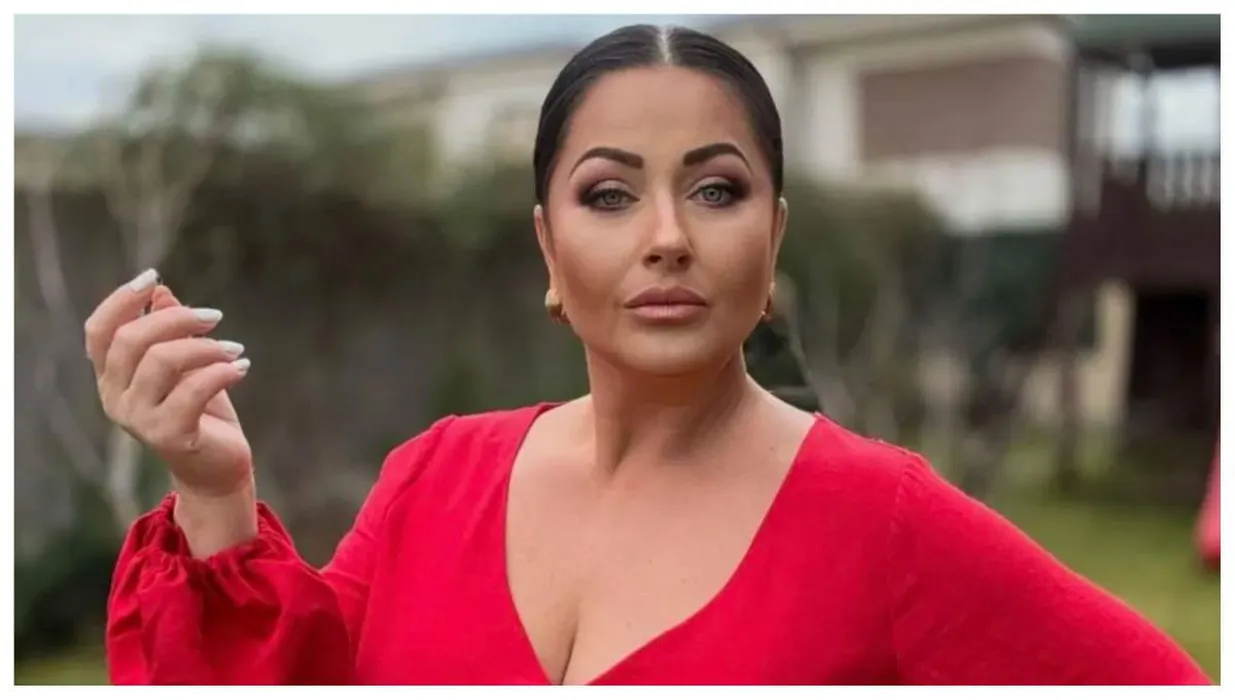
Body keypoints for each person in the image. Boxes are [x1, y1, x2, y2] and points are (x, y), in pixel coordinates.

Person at [96, 24, 1208, 686]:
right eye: (609, 194)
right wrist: (214, 490)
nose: (667, 235)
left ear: (773, 238)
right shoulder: (432, 482)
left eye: (716, 190)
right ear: (548, 245)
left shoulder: (883, 522)